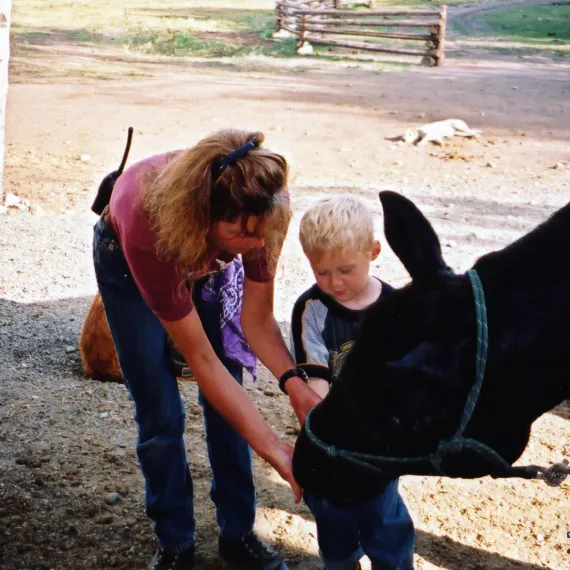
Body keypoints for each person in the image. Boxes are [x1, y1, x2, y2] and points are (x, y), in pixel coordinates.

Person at [92, 128, 321, 570]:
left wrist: (296, 384)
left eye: (263, 233)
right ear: (206, 216)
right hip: (128, 259)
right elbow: (201, 361)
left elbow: (256, 321)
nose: (256, 244)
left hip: (201, 255)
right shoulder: (148, 228)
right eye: (243, 233)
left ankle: (238, 536)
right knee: (159, 411)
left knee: (228, 403)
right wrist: (274, 447)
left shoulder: (262, 212)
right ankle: (175, 542)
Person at [288, 196, 416, 570]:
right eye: (321, 271)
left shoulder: (397, 308)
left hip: (380, 448)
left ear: (373, 251)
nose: (334, 282)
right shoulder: (312, 309)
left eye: (345, 269)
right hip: (332, 446)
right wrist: (333, 434)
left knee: (386, 524)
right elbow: (316, 380)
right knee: (335, 531)